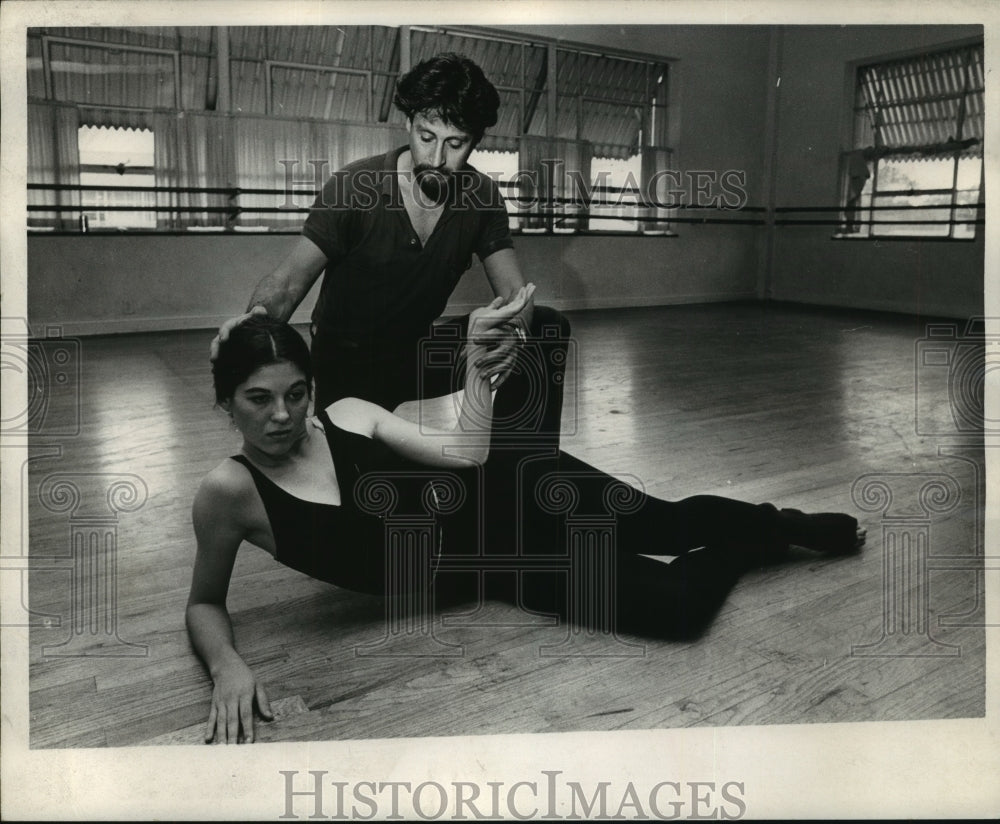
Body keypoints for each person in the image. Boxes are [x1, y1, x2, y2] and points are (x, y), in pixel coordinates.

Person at [187, 292, 867, 744]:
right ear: (225, 404)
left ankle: (780, 522)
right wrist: (227, 667)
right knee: (679, 607)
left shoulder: (350, 415)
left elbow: (467, 453)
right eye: (258, 399)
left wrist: (479, 378)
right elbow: (204, 604)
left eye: (296, 394)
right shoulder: (229, 494)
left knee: (672, 524)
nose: (282, 416)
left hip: (517, 485)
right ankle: (753, 546)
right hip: (497, 565)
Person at [214, 52, 569, 428]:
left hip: (416, 354)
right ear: (408, 123)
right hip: (347, 363)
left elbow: (516, 293)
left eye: (456, 143)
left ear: (476, 141)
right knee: (360, 481)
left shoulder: (482, 197)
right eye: (427, 136)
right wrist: (254, 322)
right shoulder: (353, 186)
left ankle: (510, 476)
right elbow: (286, 285)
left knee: (546, 325)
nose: (436, 158)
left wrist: (515, 331)